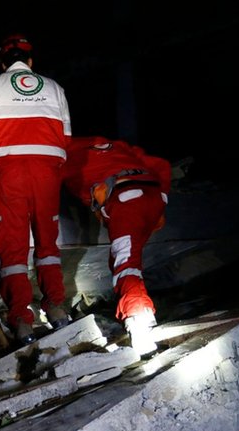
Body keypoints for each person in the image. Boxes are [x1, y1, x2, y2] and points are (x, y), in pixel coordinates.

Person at [0, 33, 72, 346]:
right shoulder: (55, 88)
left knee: (13, 245)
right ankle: (57, 308)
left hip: (10, 170)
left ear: (2, 62)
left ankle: (23, 321)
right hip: (47, 170)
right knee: (47, 242)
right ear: (31, 61)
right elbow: (65, 137)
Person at [62, 136, 172, 354]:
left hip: (125, 201)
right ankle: (136, 311)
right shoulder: (115, 145)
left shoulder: (63, 156)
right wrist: (161, 196)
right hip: (151, 198)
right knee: (125, 262)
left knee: (126, 266)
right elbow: (162, 165)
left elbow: (44, 183)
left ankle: (139, 323)